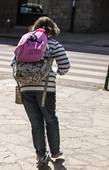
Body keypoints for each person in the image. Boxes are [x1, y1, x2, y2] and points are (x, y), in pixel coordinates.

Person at [13, 16, 71, 164]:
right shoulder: (52, 44)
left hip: (25, 88)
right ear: (52, 29)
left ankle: (41, 156)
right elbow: (65, 64)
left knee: (36, 123)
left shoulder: (25, 41)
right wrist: (57, 72)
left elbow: (13, 62)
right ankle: (55, 151)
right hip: (46, 89)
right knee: (50, 118)